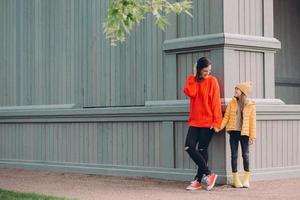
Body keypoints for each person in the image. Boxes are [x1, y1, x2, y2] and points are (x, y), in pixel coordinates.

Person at [183, 57, 222, 191]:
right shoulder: (192, 80)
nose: (207, 73)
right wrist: (194, 77)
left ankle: (198, 180)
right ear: (199, 70)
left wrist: (217, 122)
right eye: (205, 71)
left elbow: (216, 102)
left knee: (202, 150)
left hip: (208, 122)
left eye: (209, 71)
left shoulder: (212, 81)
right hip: (195, 121)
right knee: (189, 147)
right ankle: (208, 174)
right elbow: (190, 92)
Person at [215, 82, 256, 188]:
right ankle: (236, 179)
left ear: (243, 92)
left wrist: (252, 136)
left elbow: (252, 122)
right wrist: (220, 127)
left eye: (237, 89)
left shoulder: (250, 104)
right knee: (234, 155)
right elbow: (226, 117)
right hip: (233, 132)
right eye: (235, 89)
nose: (235, 91)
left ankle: (246, 180)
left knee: (245, 156)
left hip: (245, 133)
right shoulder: (231, 103)